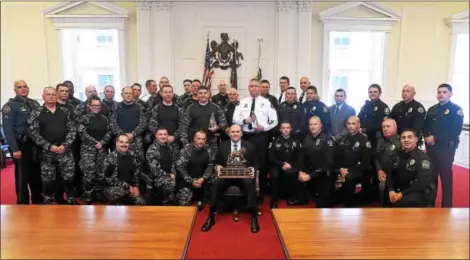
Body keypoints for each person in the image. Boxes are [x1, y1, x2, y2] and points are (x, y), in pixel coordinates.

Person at [201, 125, 259, 233]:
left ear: (241, 133)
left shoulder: (249, 146)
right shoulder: (223, 146)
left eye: (237, 131)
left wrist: (252, 168)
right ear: (229, 133)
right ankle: (211, 216)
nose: (235, 134)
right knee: (217, 182)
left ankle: (254, 216)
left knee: (249, 183)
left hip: (243, 175)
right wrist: (217, 166)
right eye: (233, 132)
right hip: (227, 175)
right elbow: (216, 162)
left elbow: (256, 164)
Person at [28, 87, 77, 204]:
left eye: (53, 94)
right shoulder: (36, 112)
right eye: (48, 94)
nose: (51, 96)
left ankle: (71, 200)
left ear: (56, 96)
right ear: (43, 96)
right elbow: (33, 133)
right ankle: (49, 201)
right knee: (48, 180)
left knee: (69, 178)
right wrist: (49, 146)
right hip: (47, 152)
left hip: (65, 151)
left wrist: (65, 145)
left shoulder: (65, 111)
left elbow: (72, 130)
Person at [232, 78, 278, 202]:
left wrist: (265, 127)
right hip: (246, 136)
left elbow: (274, 120)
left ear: (260, 88)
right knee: (245, 163)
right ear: (248, 88)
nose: (253, 88)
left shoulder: (266, 102)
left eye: (256, 86)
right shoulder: (242, 102)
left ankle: (260, 194)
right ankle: (246, 191)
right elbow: (235, 118)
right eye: (251, 86)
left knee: (261, 165)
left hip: (260, 137)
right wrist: (244, 121)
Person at [2, 80, 43, 204]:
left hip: (35, 143)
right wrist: (14, 149)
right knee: (22, 175)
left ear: (28, 88)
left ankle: (38, 199)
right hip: (21, 144)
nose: (23, 89)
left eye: (25, 86)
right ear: (15, 90)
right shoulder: (10, 106)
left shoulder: (34, 103)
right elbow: (7, 129)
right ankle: (22, 202)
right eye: (20, 87)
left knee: (36, 173)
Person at [423, 84, 464, 207]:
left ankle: (446, 205)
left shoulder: (456, 110)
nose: (441, 94)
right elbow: (425, 126)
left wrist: (435, 138)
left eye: (444, 92)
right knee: (431, 177)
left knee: (446, 178)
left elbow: (455, 131)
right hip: (431, 148)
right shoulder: (432, 109)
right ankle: (430, 202)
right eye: (439, 92)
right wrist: (426, 137)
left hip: (446, 148)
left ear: (450, 94)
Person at [78, 97, 112, 204]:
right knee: (89, 174)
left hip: (102, 150)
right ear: (89, 106)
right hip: (88, 151)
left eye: (98, 105)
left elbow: (109, 132)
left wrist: (102, 142)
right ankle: (88, 196)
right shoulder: (84, 118)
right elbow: (82, 133)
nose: (96, 107)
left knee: (101, 173)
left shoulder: (105, 119)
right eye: (94, 105)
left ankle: (99, 194)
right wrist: (95, 142)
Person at [387, 129, 433, 207]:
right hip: (399, 189)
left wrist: (401, 194)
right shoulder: (397, 154)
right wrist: (391, 190)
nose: (406, 140)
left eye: (409, 137)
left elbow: (422, 183)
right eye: (403, 138)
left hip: (415, 191)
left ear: (416, 139)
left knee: (403, 201)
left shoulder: (422, 158)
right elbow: (390, 173)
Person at [334, 116, 372, 207]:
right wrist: (340, 169)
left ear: (359, 125)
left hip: (358, 170)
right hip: (343, 169)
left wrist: (348, 171)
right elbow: (337, 158)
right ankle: (336, 197)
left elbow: (366, 163)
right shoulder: (343, 139)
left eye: (353, 124)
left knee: (349, 177)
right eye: (348, 124)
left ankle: (348, 205)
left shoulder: (364, 140)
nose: (350, 126)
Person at [298, 116, 335, 208]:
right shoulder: (306, 138)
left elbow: (329, 163)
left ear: (320, 125)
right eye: (310, 124)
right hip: (310, 170)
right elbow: (302, 157)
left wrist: (310, 176)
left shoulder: (327, 139)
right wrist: (301, 171)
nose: (313, 126)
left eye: (315, 124)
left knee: (322, 205)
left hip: (322, 172)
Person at [102, 134, 146, 205]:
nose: (124, 144)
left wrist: (136, 186)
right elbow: (109, 179)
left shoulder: (132, 155)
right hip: (115, 188)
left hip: (131, 188)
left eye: (126, 142)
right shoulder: (110, 158)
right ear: (116, 143)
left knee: (141, 203)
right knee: (121, 196)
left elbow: (136, 174)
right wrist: (128, 186)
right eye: (121, 142)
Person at [176, 130, 214, 210]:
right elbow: (180, 168)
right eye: (199, 138)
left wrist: (203, 178)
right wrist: (191, 181)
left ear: (206, 140)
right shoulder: (186, 150)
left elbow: (210, 166)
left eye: (203, 139)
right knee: (183, 204)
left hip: (203, 180)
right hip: (188, 181)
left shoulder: (208, 149)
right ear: (194, 139)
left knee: (216, 180)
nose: (201, 141)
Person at [268, 121, 302, 208]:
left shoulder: (296, 142)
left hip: (291, 165)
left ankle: (294, 197)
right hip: (277, 165)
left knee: (294, 172)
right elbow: (271, 157)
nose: (286, 130)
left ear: (291, 129)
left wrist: (291, 165)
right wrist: (281, 164)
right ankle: (274, 200)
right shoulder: (274, 141)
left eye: (287, 128)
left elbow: (299, 157)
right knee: (274, 175)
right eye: (283, 128)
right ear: (280, 129)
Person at [146, 127, 177, 205]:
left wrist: (173, 173)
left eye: (165, 134)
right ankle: (164, 202)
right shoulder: (152, 149)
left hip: (169, 175)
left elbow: (173, 162)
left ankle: (170, 200)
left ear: (167, 136)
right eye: (160, 134)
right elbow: (155, 170)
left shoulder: (169, 147)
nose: (163, 136)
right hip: (156, 178)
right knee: (171, 182)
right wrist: (169, 175)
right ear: (156, 135)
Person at [374, 118, 401, 207]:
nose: (385, 129)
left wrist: (388, 174)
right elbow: (376, 157)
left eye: (388, 126)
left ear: (395, 127)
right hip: (382, 172)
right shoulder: (380, 141)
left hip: (395, 174)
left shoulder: (401, 141)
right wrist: (379, 170)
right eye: (383, 127)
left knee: (383, 185)